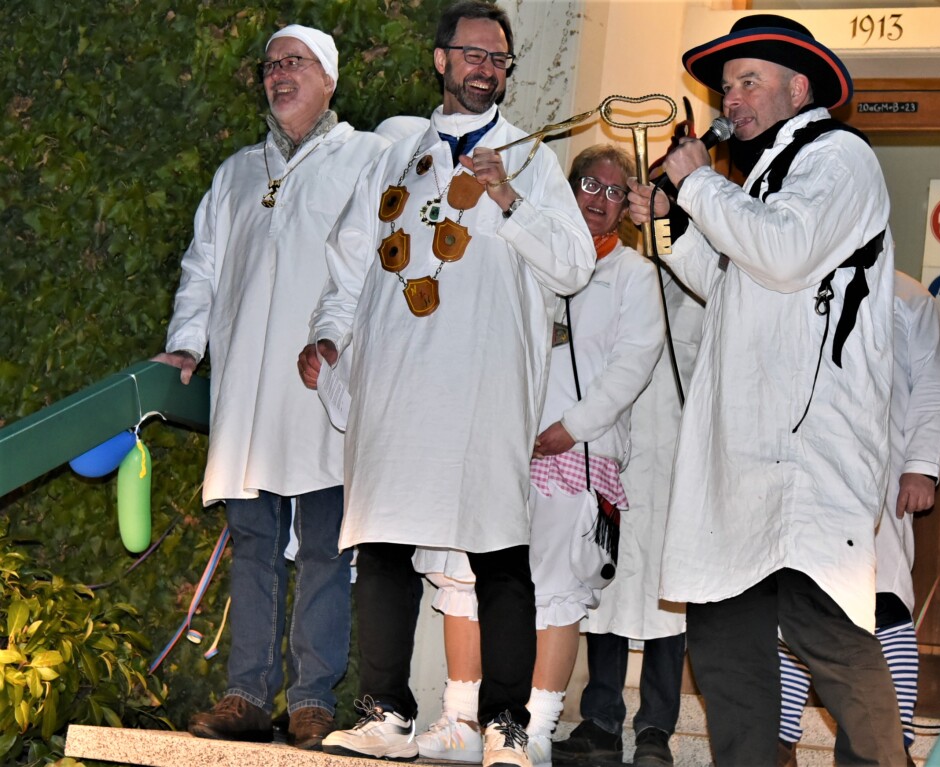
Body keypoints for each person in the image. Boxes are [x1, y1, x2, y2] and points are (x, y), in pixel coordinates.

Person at [297, 2, 595, 764]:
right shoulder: (394, 151)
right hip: (395, 382)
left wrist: (507, 198)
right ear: (441, 61)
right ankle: (386, 711)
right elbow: (351, 264)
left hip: (484, 387)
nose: (484, 68)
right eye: (472, 54)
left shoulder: (531, 157)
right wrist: (329, 334)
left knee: (497, 548)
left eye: (497, 59)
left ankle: (506, 723)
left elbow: (571, 266)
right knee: (386, 543)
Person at [628, 14, 906, 765]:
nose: (733, 98)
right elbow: (729, 287)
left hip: (803, 448)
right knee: (723, 645)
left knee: (825, 629)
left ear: (799, 86)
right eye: (727, 86)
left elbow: (780, 254)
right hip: (740, 447)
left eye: (749, 81)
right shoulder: (757, 179)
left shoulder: (838, 156)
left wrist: (695, 184)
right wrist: (668, 223)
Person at [153, 24, 387, 750]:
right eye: (271, 65)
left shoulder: (366, 158)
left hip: (321, 384)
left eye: (296, 63)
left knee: (324, 543)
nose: (279, 74)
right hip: (249, 391)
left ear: (329, 79)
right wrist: (187, 344)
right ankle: (246, 693)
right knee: (252, 541)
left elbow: (368, 266)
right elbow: (203, 268)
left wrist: (335, 341)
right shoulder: (234, 174)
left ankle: (313, 697)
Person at [410, 144, 665, 767]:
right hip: (495, 444)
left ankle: (537, 729)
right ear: (565, 186)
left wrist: (570, 427)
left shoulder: (633, 274)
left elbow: (633, 363)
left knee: (555, 591)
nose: (599, 200)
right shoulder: (521, 246)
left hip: (576, 454)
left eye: (613, 192)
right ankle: (461, 722)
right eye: (588, 184)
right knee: (466, 577)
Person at [777, 270, 940, 766]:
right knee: (795, 612)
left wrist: (921, 467)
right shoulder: (799, 276)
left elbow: (934, 381)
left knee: (885, 607)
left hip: (878, 480)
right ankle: (779, 740)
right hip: (803, 479)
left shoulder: (907, 294)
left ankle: (890, 744)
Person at [554, 273, 704, 767]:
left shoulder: (709, 286)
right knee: (607, 593)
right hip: (613, 462)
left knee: (669, 599)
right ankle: (599, 722)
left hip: (676, 471)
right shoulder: (618, 277)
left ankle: (656, 729)